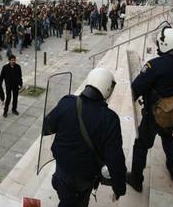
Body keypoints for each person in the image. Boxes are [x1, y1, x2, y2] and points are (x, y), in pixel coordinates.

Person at [43, 68, 127, 206]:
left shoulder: (67, 102)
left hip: (62, 169)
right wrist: (119, 188)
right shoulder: (110, 119)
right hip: (84, 177)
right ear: (107, 89)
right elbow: (115, 159)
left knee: (65, 198)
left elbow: (47, 128)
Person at [127, 27, 173, 192]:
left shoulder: (155, 65)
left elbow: (136, 87)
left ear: (167, 44)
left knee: (141, 145)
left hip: (155, 114)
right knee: (167, 137)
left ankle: (136, 179)